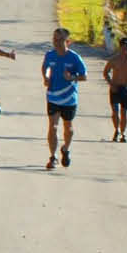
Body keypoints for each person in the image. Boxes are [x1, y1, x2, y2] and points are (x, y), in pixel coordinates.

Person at [40, 27, 88, 170]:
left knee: (68, 128)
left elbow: (84, 76)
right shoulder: (50, 55)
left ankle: (65, 149)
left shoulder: (74, 58)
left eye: (60, 40)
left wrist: (72, 77)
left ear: (68, 41)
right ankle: (53, 157)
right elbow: (45, 67)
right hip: (53, 96)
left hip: (69, 98)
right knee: (53, 127)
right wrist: (46, 77)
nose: (57, 42)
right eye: (55, 39)